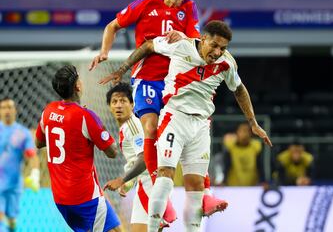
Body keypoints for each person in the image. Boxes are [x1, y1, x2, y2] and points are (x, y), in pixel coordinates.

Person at [100, 20, 272, 232]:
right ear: (203, 39)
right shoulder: (181, 45)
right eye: (215, 45)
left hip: (200, 126)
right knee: (165, 176)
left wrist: (253, 123)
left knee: (196, 186)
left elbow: (239, 89)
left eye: (223, 48)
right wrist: (123, 69)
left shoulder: (227, 64)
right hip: (175, 118)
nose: (218, 52)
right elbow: (149, 46)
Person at [90, 0, 226, 216]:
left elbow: (199, 42)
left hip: (177, 81)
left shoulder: (190, 7)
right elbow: (113, 26)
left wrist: (183, 37)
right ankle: (160, 197)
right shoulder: (146, 1)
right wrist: (105, 52)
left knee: (194, 131)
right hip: (147, 78)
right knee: (151, 128)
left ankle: (205, 193)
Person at [34, 65, 121, 232]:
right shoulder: (85, 116)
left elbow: (39, 143)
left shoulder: (48, 111)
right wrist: (97, 125)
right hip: (85, 198)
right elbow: (112, 152)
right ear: (78, 86)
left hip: (61, 199)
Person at [103, 83, 171, 231]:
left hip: (150, 184)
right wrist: (128, 183)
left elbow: (145, 158)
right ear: (109, 107)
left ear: (132, 104)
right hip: (147, 182)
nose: (119, 106)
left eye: (123, 101)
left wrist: (122, 179)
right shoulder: (127, 127)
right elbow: (136, 159)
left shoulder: (132, 126)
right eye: (114, 102)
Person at [0, 98, 40, 232]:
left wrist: (35, 174)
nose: (7, 110)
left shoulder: (22, 133)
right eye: (4, 107)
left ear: (15, 110)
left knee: (11, 220)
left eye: (10, 107)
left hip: (14, 184)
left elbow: (32, 155)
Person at [223, 122, 265, 186]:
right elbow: (226, 166)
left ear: (251, 134)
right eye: (242, 131)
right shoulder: (231, 147)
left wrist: (263, 181)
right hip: (233, 187)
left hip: (252, 187)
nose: (245, 134)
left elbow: (260, 167)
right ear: (236, 133)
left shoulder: (256, 147)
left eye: (247, 131)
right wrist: (224, 181)